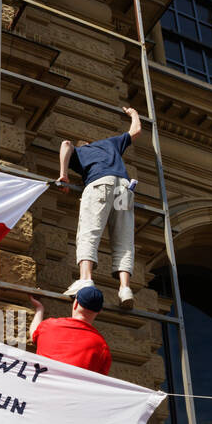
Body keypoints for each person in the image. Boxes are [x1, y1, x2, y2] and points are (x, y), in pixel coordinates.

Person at [56, 107, 141, 308]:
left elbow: (65, 144)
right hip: (124, 188)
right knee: (123, 239)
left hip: (100, 185)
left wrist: (64, 173)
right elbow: (136, 130)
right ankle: (125, 288)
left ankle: (85, 278)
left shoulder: (80, 152)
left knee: (89, 232)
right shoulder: (110, 143)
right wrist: (133, 113)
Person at [28, 287, 111, 375]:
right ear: (99, 311)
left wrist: (39, 308)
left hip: (41, 386)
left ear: (75, 304)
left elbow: (33, 333)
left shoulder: (49, 325)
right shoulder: (102, 346)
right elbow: (100, 381)